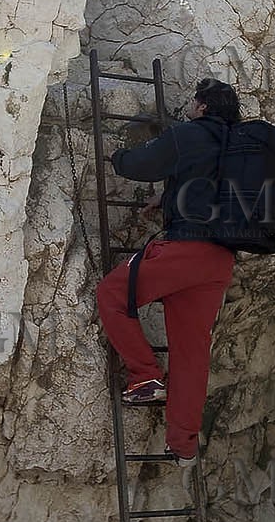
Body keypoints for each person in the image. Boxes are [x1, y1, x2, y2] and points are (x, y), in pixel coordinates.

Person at [95, 77, 241, 467]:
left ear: (203, 107)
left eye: (194, 102)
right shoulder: (241, 146)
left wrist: (117, 157)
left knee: (112, 293)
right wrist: (170, 195)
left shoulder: (191, 134)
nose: (190, 107)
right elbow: (208, 185)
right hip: (219, 261)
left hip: (185, 250)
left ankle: (144, 377)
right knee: (192, 354)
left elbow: (141, 164)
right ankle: (183, 446)